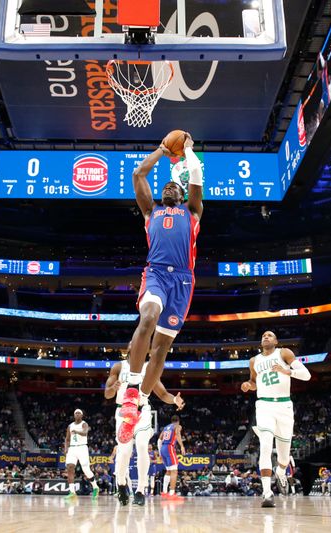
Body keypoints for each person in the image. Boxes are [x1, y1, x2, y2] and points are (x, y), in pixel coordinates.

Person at [118, 132, 204, 444]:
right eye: (165, 186)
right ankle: (132, 387)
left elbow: (195, 174)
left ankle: (139, 402)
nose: (169, 187)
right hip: (155, 274)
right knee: (148, 317)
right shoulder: (149, 211)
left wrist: (190, 151)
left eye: (174, 187)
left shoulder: (192, 213)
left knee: (161, 348)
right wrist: (161, 149)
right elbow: (138, 173)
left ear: (182, 196)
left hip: (183, 281)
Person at [240, 330, 311, 508]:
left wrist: (287, 371)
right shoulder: (254, 361)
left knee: (284, 458)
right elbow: (254, 382)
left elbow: (306, 375)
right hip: (264, 405)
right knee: (265, 445)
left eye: (270, 335)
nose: (265, 336)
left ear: (276, 341)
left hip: (284, 406)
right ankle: (267, 492)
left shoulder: (284, 353)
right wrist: (249, 385)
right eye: (263, 335)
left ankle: (280, 472)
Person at [104, 349, 185, 506]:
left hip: (143, 410)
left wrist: (175, 399)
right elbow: (107, 394)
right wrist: (114, 388)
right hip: (123, 411)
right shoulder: (118, 367)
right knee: (125, 451)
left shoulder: (149, 368)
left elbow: (162, 394)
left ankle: (140, 490)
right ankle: (121, 484)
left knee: (142, 446)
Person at [63, 409, 99, 500]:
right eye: (76, 413)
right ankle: (72, 492)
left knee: (86, 470)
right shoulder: (70, 426)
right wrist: (66, 448)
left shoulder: (84, 424)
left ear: (82, 415)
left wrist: (76, 431)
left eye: (79, 413)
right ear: (74, 415)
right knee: (70, 468)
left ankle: (95, 487)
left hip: (82, 448)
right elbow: (67, 439)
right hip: (72, 448)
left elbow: (85, 433)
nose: (77, 414)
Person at [158, 415, 186, 501]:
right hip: (169, 447)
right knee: (174, 471)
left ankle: (164, 492)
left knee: (169, 471)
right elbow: (177, 434)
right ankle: (171, 493)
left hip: (163, 448)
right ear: (178, 421)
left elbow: (159, 439)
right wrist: (182, 446)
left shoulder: (166, 427)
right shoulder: (177, 426)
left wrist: (160, 452)